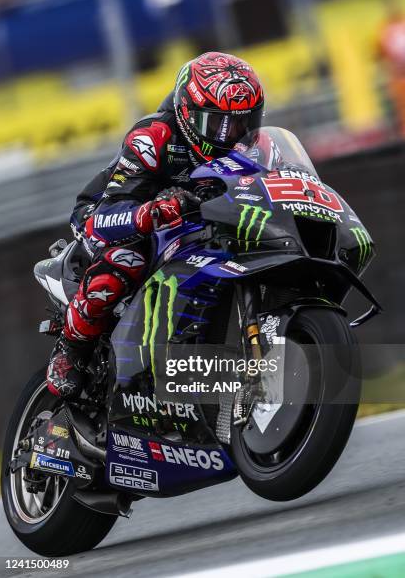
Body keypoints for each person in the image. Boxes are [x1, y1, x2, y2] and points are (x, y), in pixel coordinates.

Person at [46, 51, 265, 399]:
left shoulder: (252, 149)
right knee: (126, 258)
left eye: (241, 123)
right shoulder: (153, 137)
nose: (230, 135)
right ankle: (71, 350)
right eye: (218, 123)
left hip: (191, 223)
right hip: (109, 215)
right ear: (188, 113)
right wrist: (150, 213)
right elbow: (105, 214)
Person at [378, 2, 405, 137]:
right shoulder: (387, 31)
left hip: (398, 76)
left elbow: (380, 53)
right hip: (398, 76)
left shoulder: (386, 31)